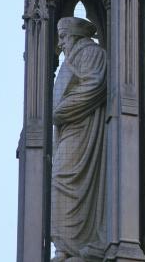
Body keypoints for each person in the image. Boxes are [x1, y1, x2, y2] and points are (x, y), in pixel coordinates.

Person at [51, 17, 107, 261]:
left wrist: (62, 109)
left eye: (63, 37)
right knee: (58, 183)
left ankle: (81, 245)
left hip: (85, 128)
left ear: (75, 35)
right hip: (68, 131)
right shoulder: (70, 60)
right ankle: (64, 247)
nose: (60, 43)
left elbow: (94, 85)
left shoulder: (93, 53)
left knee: (65, 179)